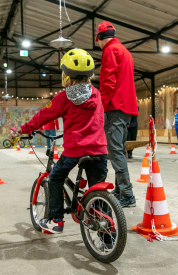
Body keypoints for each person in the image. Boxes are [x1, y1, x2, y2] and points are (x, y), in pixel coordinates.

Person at [19, 49, 108, 234]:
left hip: (75, 149)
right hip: (99, 149)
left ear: (66, 75)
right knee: (97, 190)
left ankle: (55, 220)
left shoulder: (64, 97)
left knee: (56, 177)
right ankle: (108, 235)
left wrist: (24, 129)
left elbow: (42, 116)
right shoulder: (96, 94)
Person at [96, 21, 138, 208]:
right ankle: (121, 190)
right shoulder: (124, 51)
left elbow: (108, 81)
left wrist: (100, 106)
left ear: (99, 39)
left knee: (115, 151)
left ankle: (127, 194)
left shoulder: (110, 51)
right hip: (126, 107)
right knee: (118, 150)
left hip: (115, 106)